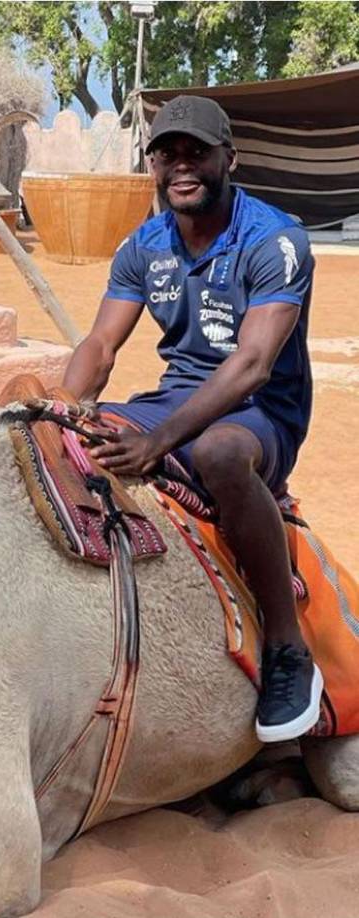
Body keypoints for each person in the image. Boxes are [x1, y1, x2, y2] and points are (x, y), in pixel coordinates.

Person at [62, 95, 322, 743]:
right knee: (52, 443)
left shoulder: (274, 240)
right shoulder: (143, 245)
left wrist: (157, 441)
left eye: (196, 153)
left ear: (228, 157)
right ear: (152, 164)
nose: (182, 166)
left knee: (220, 456)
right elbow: (99, 346)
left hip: (260, 412)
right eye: (167, 153)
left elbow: (254, 363)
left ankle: (288, 647)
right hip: (174, 398)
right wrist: (65, 411)